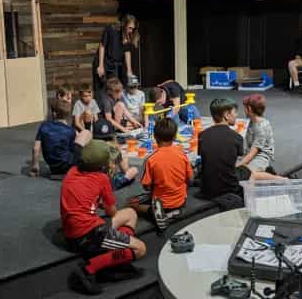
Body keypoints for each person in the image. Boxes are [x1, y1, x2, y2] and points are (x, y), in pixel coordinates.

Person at [61, 140, 146, 295]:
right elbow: (112, 212)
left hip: (71, 233)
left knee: (130, 213)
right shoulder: (102, 178)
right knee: (140, 249)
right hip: (89, 236)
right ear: (102, 165)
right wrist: (102, 203)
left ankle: (114, 257)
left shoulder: (72, 171)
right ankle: (90, 268)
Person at [129, 118, 193, 231]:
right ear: (174, 137)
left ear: (155, 137)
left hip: (161, 201)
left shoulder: (151, 159)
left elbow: (146, 186)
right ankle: (172, 211)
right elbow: (190, 178)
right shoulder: (182, 154)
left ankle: (154, 212)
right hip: (181, 200)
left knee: (133, 203)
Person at [198, 98, 251, 205]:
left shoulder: (202, 135)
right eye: (235, 112)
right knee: (246, 170)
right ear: (226, 115)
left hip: (206, 190)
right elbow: (234, 162)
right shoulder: (237, 138)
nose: (236, 115)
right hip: (230, 189)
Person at [31, 100, 92, 176]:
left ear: (54, 113)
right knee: (86, 133)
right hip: (68, 165)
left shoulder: (44, 126)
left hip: (52, 166)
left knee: (76, 135)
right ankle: (89, 162)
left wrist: (35, 165)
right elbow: (73, 149)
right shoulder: (70, 131)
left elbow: (35, 149)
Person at [237, 94, 286, 180]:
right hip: (249, 152)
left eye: (244, 108)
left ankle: (282, 180)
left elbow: (253, 152)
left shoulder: (261, 127)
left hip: (262, 155)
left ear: (249, 109)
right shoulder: (251, 121)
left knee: (248, 175)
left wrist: (239, 165)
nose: (243, 110)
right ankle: (265, 172)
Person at [93, 15, 140, 94]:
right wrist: (100, 66)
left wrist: (129, 70)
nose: (131, 30)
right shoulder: (111, 29)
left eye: (133, 28)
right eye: (130, 28)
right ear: (124, 24)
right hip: (103, 62)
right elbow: (102, 46)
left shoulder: (128, 36)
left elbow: (127, 52)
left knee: (114, 89)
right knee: (101, 90)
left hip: (114, 65)